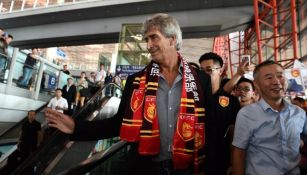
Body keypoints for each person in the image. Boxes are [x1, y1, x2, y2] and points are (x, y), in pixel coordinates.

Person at [45, 13, 212, 175]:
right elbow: (118, 124)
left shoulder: (200, 80)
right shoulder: (136, 81)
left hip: (188, 169)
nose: (148, 45)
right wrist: (76, 127)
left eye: (154, 37)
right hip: (146, 168)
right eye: (146, 40)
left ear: (172, 39)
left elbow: (210, 126)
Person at [232, 60, 307, 175]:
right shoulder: (246, 114)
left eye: (280, 76)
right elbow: (239, 153)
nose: (277, 81)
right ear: (257, 85)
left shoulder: (299, 113)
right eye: (269, 77)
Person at [199, 52, 241, 175]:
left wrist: (234, 163)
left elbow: (235, 135)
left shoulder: (231, 102)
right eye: (201, 70)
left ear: (220, 71)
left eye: (209, 70)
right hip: (196, 162)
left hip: (222, 162)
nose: (204, 74)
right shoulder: (192, 100)